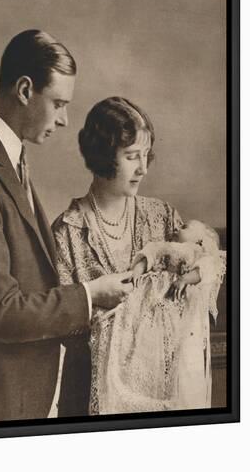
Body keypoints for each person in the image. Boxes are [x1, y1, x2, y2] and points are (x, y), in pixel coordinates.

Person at [0, 31, 132, 425]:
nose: (64, 119)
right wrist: (89, 297)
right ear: (25, 89)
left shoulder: (5, 157)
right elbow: (1, 311)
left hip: (19, 396)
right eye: (58, 103)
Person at [52, 96, 226, 416]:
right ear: (104, 155)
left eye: (146, 155)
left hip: (164, 393)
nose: (143, 169)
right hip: (91, 397)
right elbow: (60, 320)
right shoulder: (69, 232)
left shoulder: (163, 217)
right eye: (132, 156)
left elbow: (206, 264)